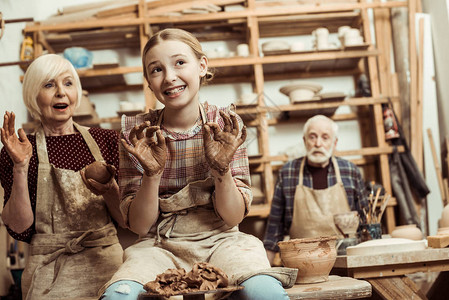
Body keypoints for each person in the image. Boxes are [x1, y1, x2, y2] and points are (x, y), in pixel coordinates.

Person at [99, 28, 296, 300]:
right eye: (156, 70)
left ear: (202, 66)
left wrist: (221, 170)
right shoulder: (138, 134)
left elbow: (234, 217)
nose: (169, 77)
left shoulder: (226, 126)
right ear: (149, 81)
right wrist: (152, 175)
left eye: (180, 62)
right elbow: (140, 226)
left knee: (264, 292)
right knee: (118, 295)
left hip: (223, 242)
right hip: (159, 247)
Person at [0, 54, 125, 299]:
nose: (61, 92)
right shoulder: (19, 149)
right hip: (48, 270)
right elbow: (19, 226)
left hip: (106, 262)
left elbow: (126, 220)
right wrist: (20, 167)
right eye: (49, 85)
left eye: (68, 83)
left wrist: (110, 189)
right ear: (33, 95)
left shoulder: (107, 141)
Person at [263, 114, 368, 265]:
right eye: (312, 137)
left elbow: (366, 224)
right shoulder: (288, 172)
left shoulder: (350, 171)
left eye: (325, 137)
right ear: (304, 141)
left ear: (334, 142)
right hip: (302, 264)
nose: (318, 143)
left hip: (346, 262)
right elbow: (274, 230)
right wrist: (265, 271)